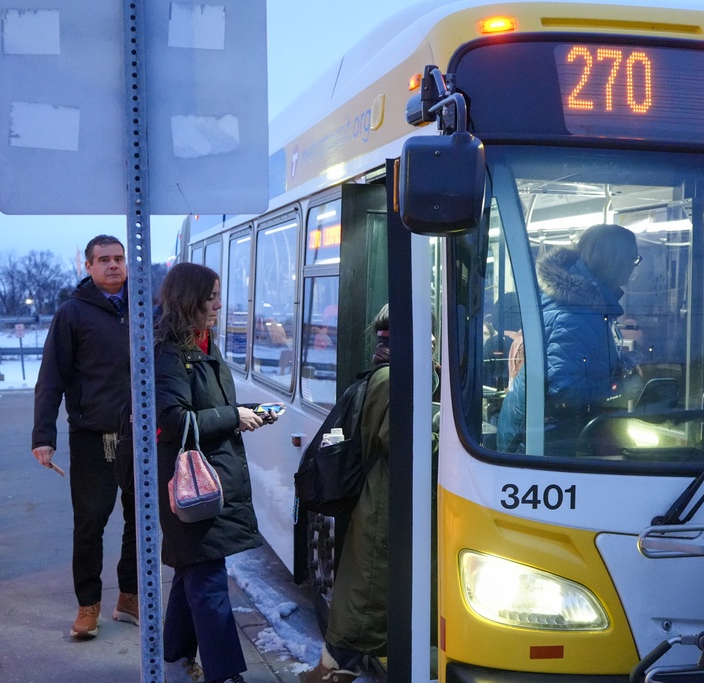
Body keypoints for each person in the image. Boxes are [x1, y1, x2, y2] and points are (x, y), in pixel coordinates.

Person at [301, 304, 439, 683]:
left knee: (370, 595)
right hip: (385, 506)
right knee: (368, 597)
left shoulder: (388, 373)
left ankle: (334, 667)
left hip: (382, 502)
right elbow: (407, 445)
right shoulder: (395, 380)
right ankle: (330, 672)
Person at [153, 263, 277, 683]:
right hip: (189, 487)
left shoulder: (202, 345)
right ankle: (224, 675)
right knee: (208, 585)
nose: (219, 304)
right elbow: (173, 420)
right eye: (211, 296)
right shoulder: (170, 352)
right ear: (189, 299)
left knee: (193, 572)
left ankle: (173, 656)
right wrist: (233, 416)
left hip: (205, 483)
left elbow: (204, 408)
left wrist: (245, 414)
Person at [31, 234, 138, 639]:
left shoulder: (144, 308)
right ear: (89, 267)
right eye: (104, 259)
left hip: (141, 437)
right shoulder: (72, 313)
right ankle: (88, 605)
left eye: (119, 258)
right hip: (92, 436)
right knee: (91, 522)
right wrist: (44, 434)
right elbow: (51, 378)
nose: (113, 265)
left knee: (141, 522)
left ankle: (130, 597)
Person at [497, 224, 641, 451]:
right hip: (542, 440)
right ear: (614, 260)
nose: (634, 268)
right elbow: (562, 389)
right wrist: (620, 389)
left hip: (543, 433)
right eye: (633, 260)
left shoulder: (583, 304)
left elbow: (578, 362)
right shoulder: (576, 314)